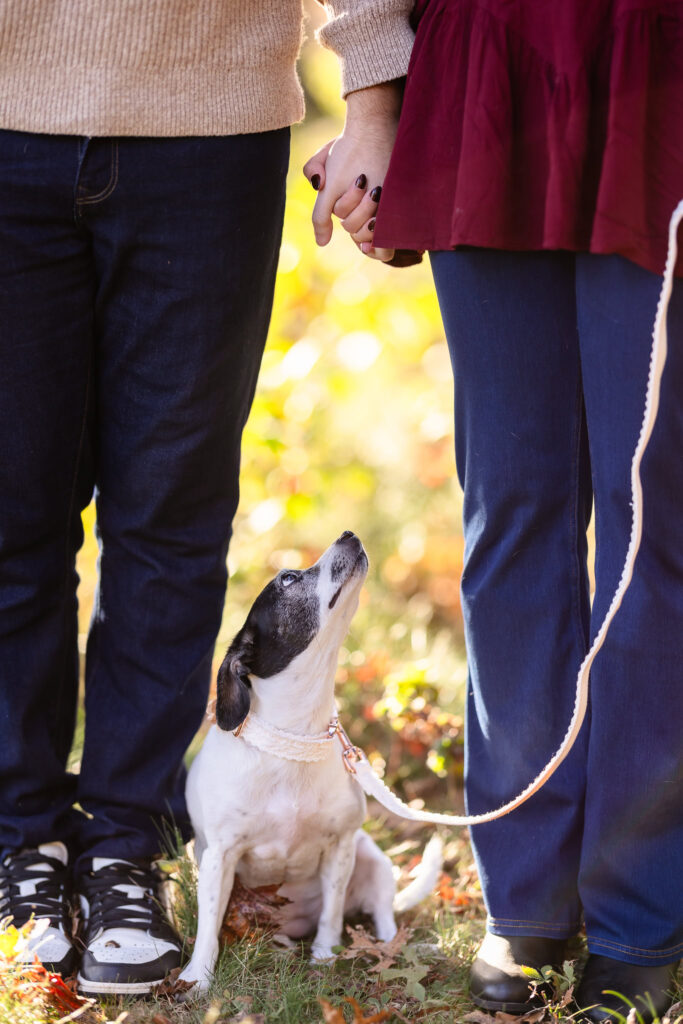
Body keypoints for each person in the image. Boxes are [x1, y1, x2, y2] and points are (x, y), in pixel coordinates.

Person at [0, 0, 415, 994]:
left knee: (170, 517)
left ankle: (123, 851)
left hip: (210, 121)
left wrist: (370, 92)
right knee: (13, 519)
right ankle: (24, 841)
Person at [305, 1, 683, 1019]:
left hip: (659, 75)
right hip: (482, 70)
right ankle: (527, 904)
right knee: (511, 508)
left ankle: (638, 918)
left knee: (647, 523)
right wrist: (373, 101)